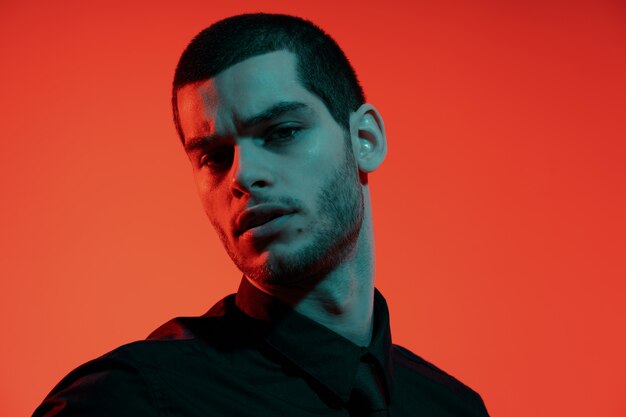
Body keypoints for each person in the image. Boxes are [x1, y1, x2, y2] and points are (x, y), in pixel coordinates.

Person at [34, 13, 490, 417]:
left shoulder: (453, 406)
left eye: (282, 131)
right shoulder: (129, 400)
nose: (244, 175)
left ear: (364, 139)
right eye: (214, 156)